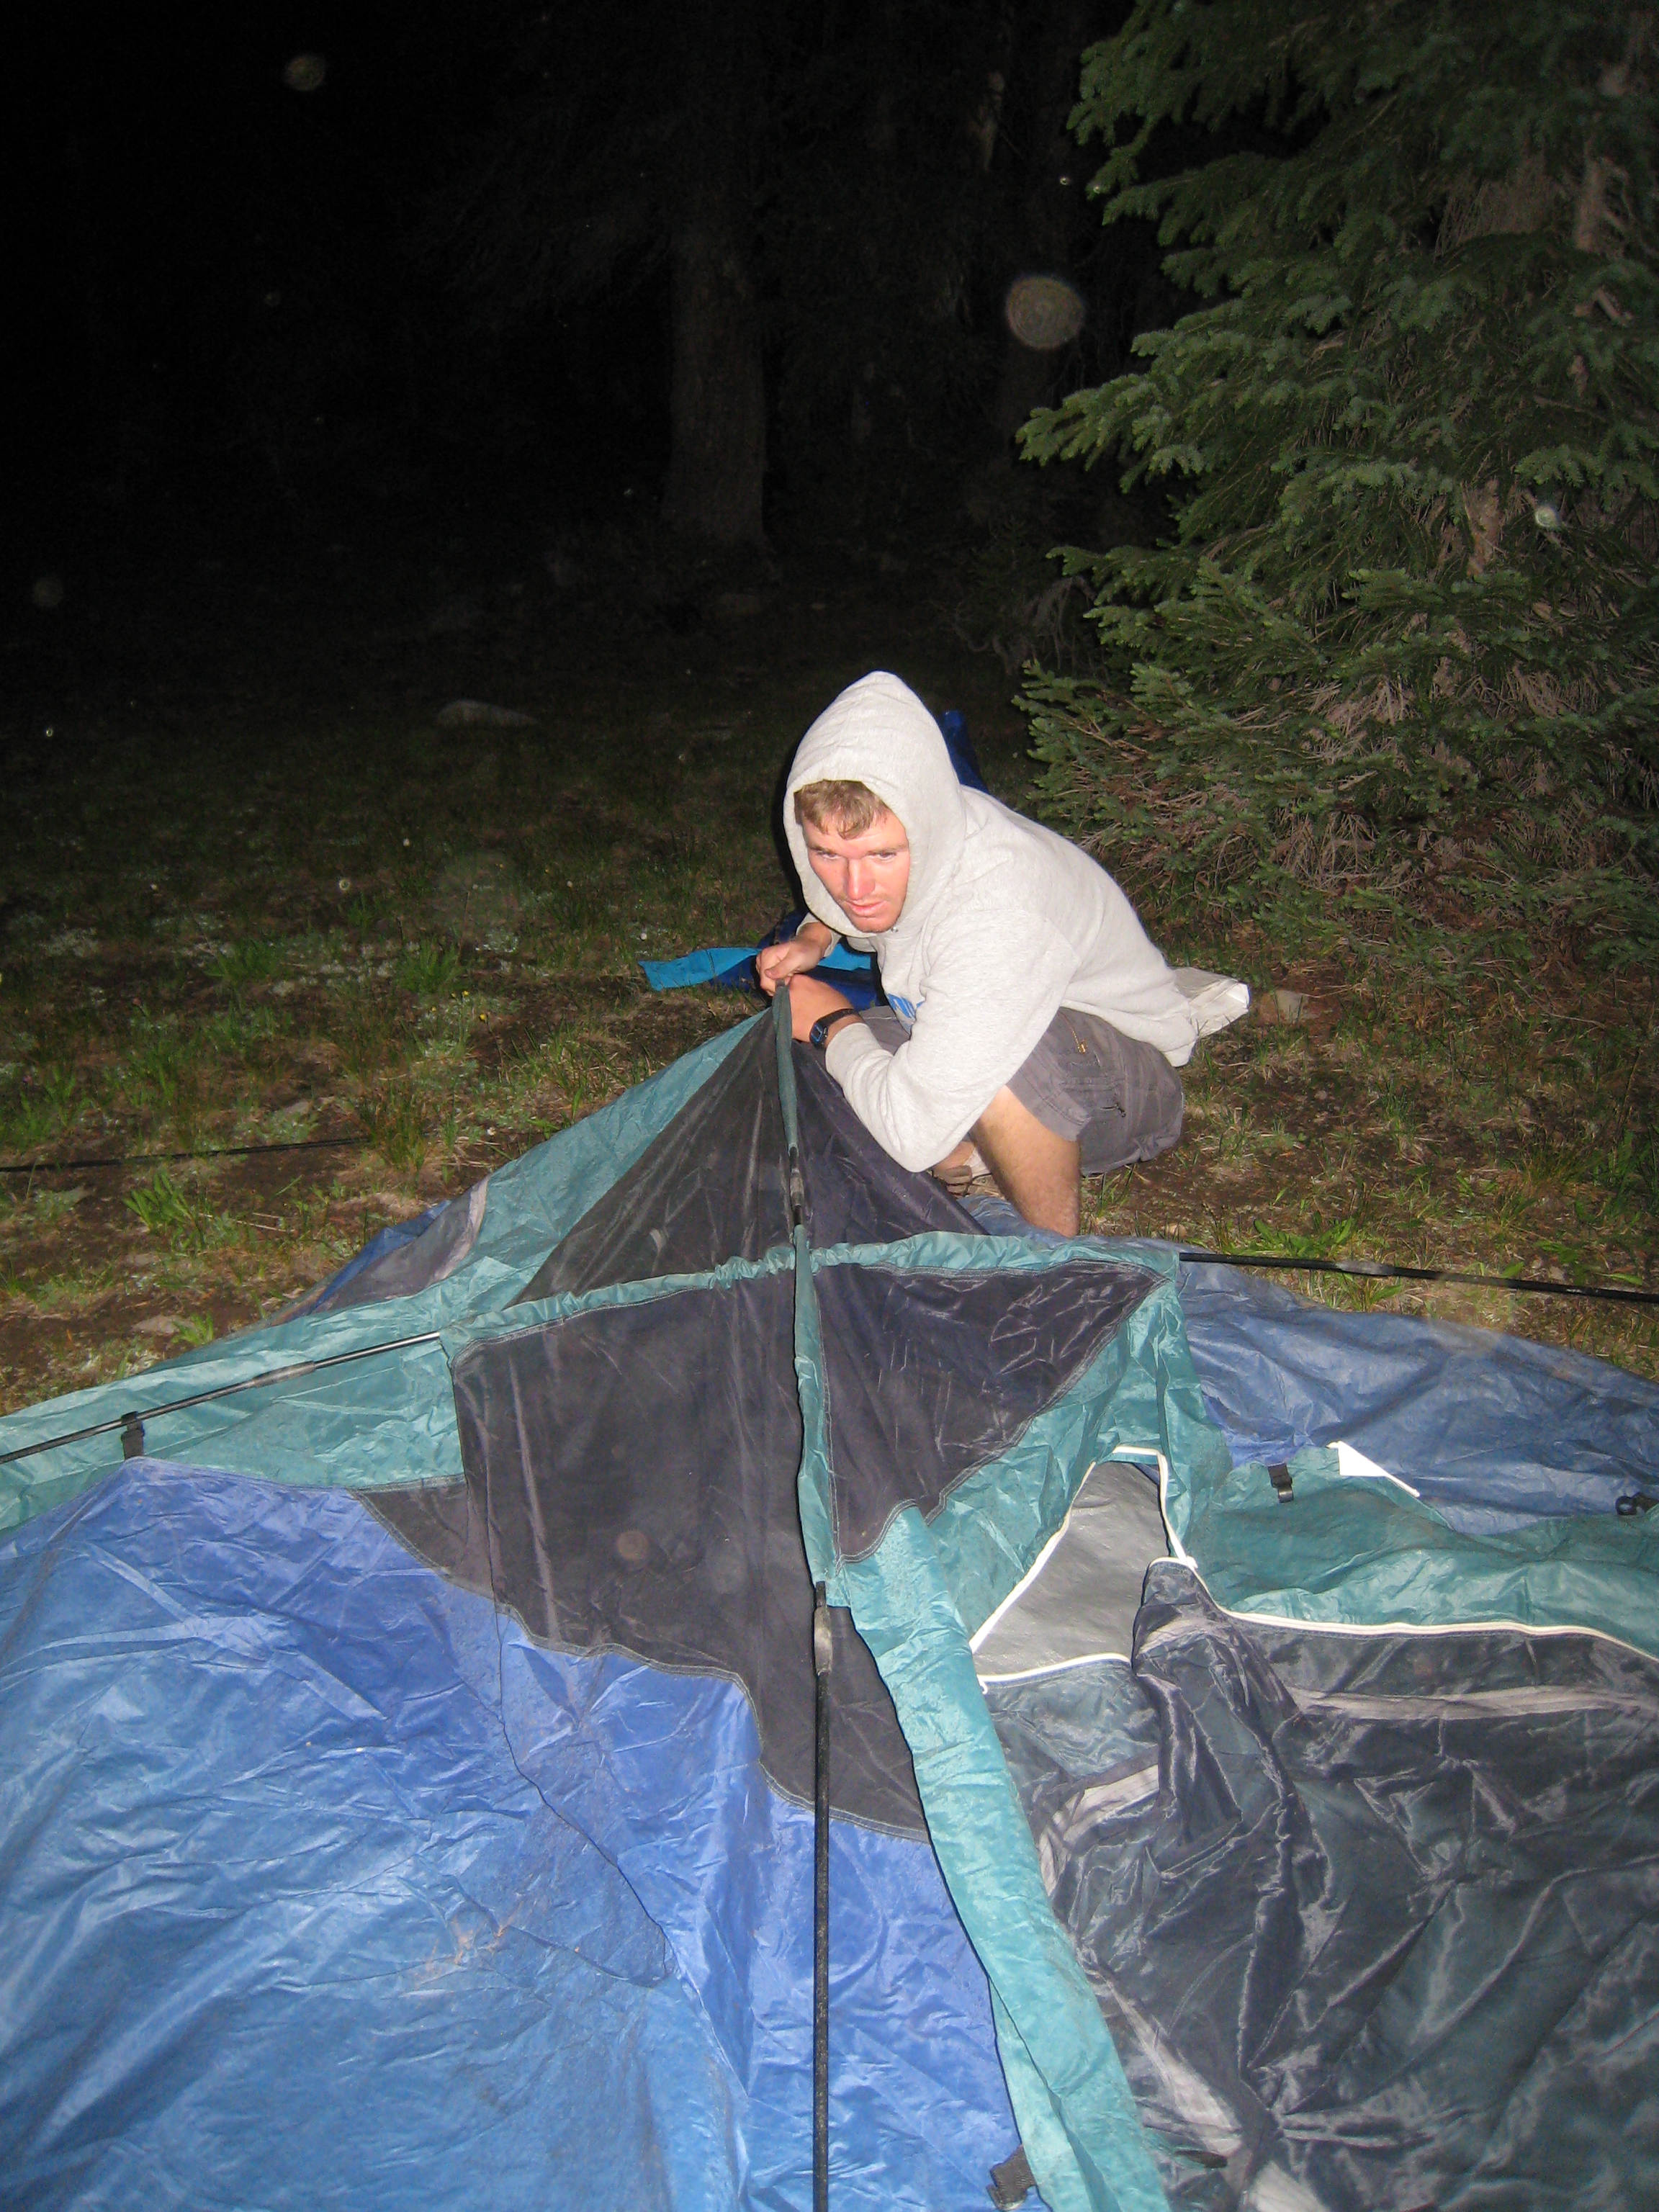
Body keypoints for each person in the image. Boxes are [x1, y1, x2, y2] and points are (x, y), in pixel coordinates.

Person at [757, 671, 1246, 1236]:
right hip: (979, 1021)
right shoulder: (921, 828)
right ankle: (967, 1147)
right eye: (826, 855)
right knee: (803, 1072)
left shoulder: (1000, 909)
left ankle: (1045, 1262)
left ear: (923, 829)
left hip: (1127, 1081)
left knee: (990, 1071)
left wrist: (831, 1023)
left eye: (882, 856)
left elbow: (910, 1129)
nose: (855, 886)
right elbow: (853, 899)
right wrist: (815, 937)